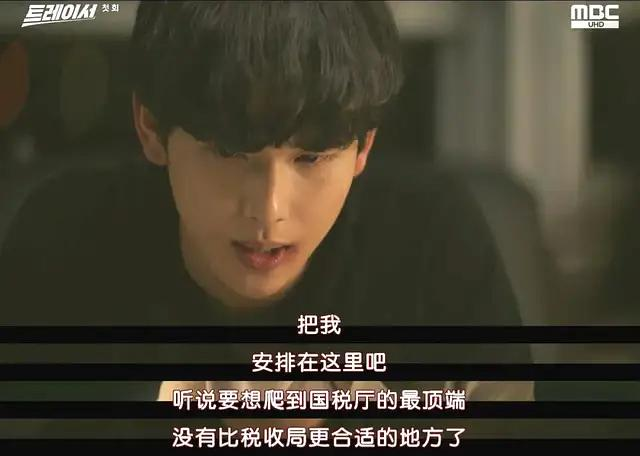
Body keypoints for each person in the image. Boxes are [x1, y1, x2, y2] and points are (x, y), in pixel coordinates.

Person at [0, 0, 532, 436]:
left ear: (364, 146)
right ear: (151, 127)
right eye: (230, 153)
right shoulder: (69, 235)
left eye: (311, 158)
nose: (270, 211)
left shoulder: (432, 238)